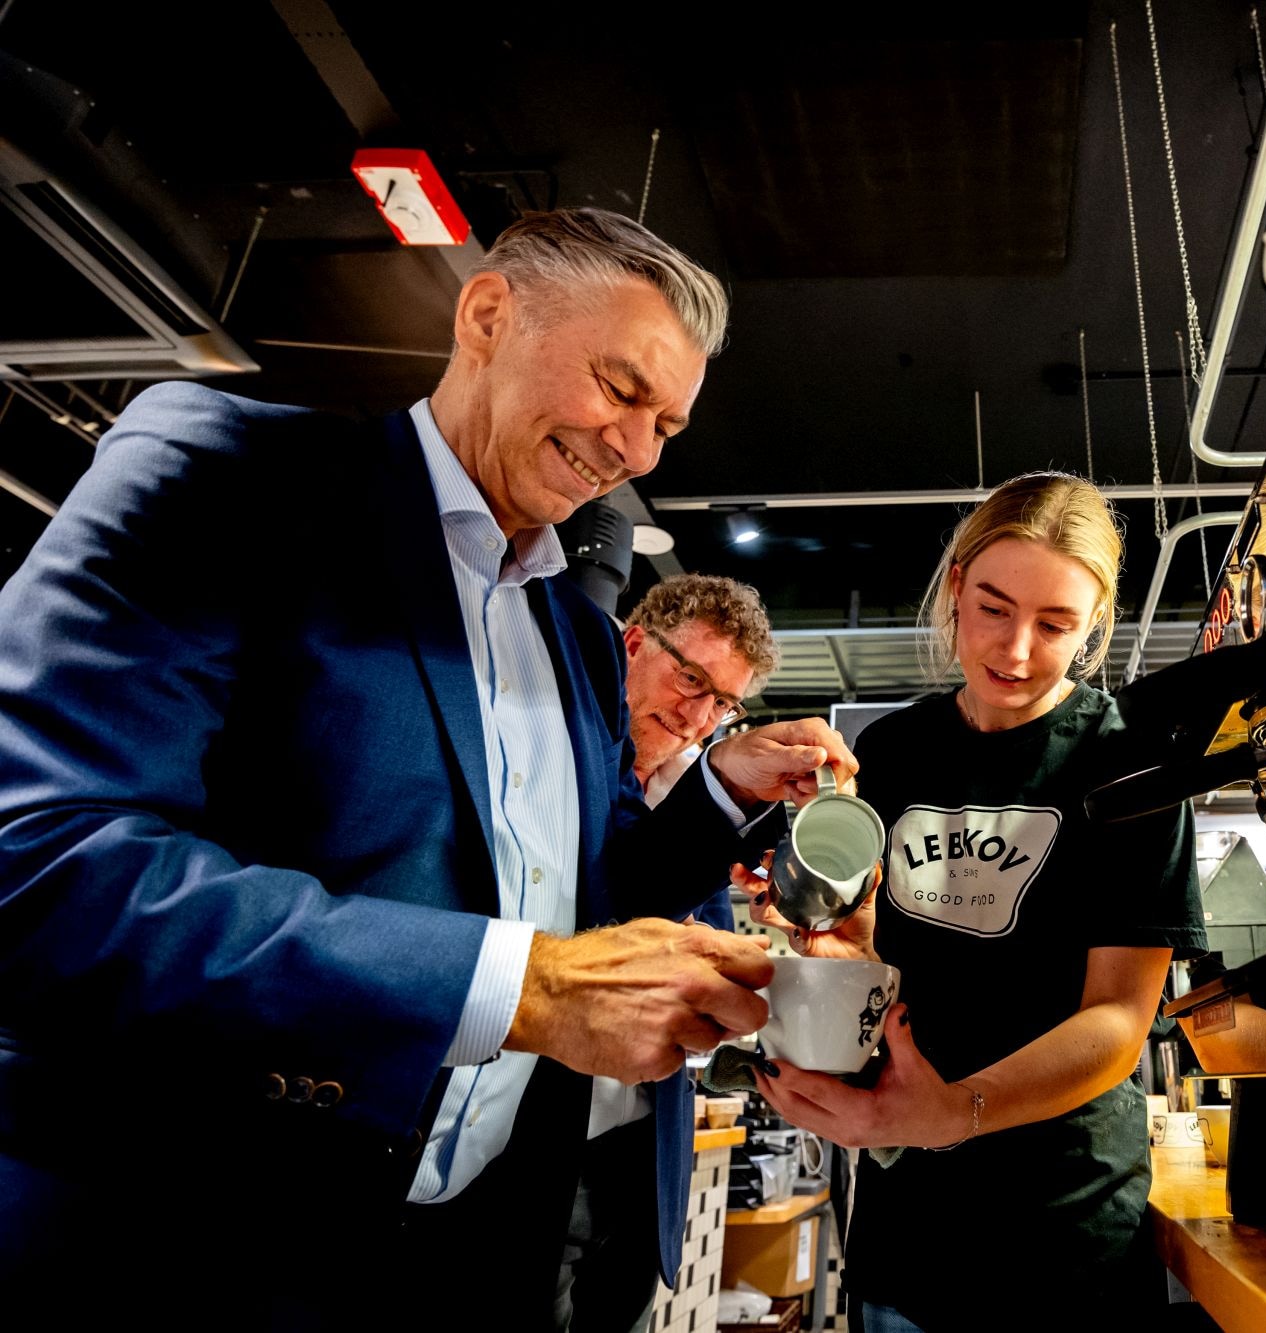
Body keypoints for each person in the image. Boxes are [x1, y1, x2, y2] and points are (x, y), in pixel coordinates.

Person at [0, 208, 855, 1332]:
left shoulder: (575, 627)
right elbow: (48, 861)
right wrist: (520, 986)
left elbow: (587, 884)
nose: (637, 452)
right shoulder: (234, 474)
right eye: (619, 387)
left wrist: (722, 786)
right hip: (199, 1234)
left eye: (667, 426)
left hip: (482, 1247)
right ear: (488, 315)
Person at [738, 473, 1207, 1332]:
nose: (1017, 650)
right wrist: (832, 945)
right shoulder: (894, 750)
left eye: (1057, 624)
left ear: (1095, 623)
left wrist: (959, 1108)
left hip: (1063, 1230)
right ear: (954, 584)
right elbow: (882, 949)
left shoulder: (1130, 766)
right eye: (992, 606)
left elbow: (1118, 1017)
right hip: (909, 1217)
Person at [560, 574, 780, 1333]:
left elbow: (705, 952)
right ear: (632, 642)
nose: (699, 716)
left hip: (642, 1155)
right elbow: (603, 901)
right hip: (538, 1149)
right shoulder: (564, 767)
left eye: (722, 702)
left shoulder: (693, 803)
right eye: (691, 678)